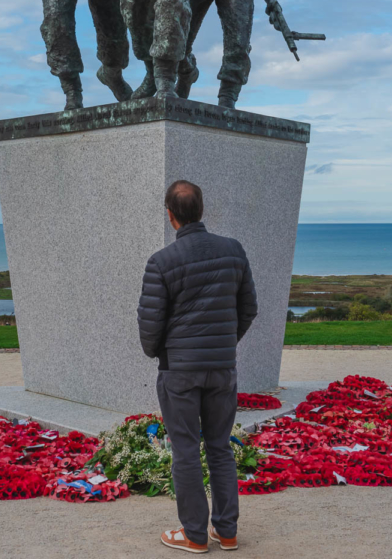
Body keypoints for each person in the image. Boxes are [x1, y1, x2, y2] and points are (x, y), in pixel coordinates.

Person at [137, 180, 258, 553]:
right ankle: (227, 531)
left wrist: (163, 353)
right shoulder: (233, 251)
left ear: (170, 215)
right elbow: (248, 309)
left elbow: (149, 325)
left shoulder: (162, 261)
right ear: (201, 209)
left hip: (180, 371)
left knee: (186, 450)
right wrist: (222, 344)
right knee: (220, 447)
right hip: (222, 367)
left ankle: (193, 535)